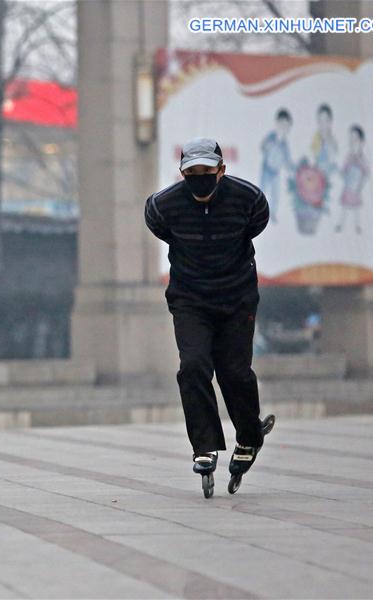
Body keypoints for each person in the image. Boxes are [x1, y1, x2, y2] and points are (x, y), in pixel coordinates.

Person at [144, 137, 274, 498]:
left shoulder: (248, 199)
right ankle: (204, 445)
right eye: (192, 173)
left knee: (234, 372)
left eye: (206, 172)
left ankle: (249, 435)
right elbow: (160, 230)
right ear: (183, 173)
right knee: (194, 365)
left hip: (236, 298)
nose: (199, 180)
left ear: (221, 170)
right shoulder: (163, 206)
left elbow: (256, 224)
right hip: (190, 300)